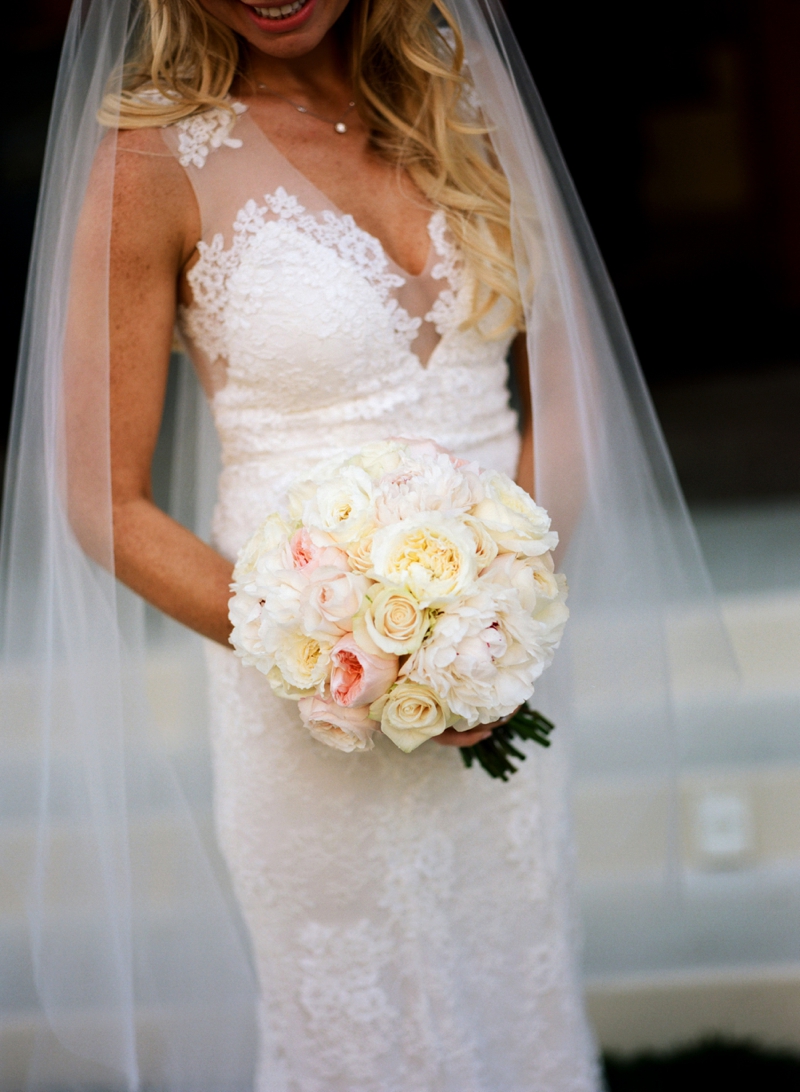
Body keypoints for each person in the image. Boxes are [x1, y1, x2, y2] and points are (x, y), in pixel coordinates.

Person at [0, 0, 736, 1088]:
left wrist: (490, 627)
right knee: (358, 1030)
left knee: (515, 978)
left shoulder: (464, 105)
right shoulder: (149, 167)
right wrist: (342, 659)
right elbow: (104, 503)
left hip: (496, 665)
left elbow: (567, 393)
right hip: (304, 710)